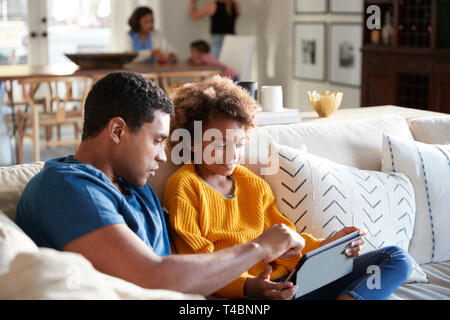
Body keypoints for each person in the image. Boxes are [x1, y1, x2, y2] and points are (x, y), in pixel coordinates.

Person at [14, 71, 305, 298]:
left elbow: (189, 273)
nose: (163, 155)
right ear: (117, 131)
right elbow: (152, 276)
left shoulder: (138, 189)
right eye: (157, 140)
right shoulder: (67, 187)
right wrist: (259, 248)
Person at [164, 76, 413, 300]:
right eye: (220, 145)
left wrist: (330, 246)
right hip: (250, 292)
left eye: (238, 145)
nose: (232, 155)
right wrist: (251, 288)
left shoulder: (254, 185)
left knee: (396, 259)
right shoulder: (184, 186)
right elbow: (200, 267)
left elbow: (288, 246)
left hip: (291, 283)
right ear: (193, 142)